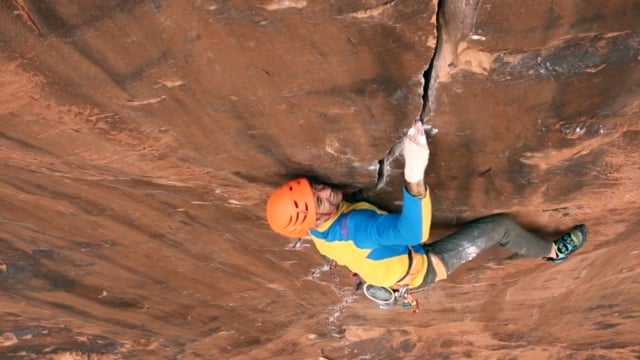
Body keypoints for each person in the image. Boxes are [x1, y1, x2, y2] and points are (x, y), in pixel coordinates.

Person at [265, 121, 586, 311]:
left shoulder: (317, 236)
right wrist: (414, 174)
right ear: (312, 220)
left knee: (370, 264)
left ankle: (378, 285)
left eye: (315, 188)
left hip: (384, 269)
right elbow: (414, 232)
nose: (326, 193)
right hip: (423, 268)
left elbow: (340, 227)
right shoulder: (359, 229)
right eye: (317, 202)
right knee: (499, 227)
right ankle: (554, 252)